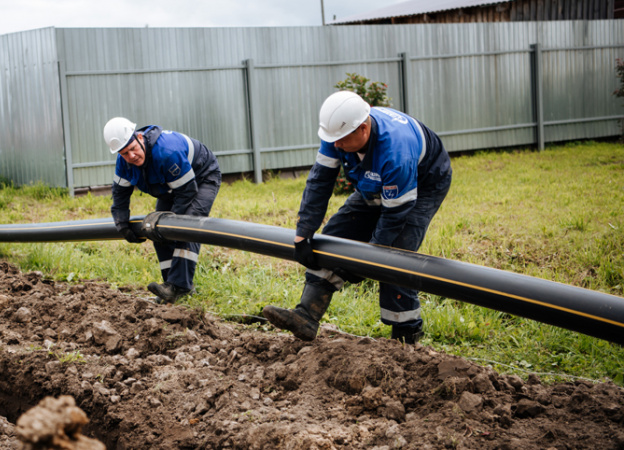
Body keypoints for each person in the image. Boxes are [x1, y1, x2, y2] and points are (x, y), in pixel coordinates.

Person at [262, 91, 453, 344]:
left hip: (423, 183)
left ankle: (406, 339)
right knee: (333, 237)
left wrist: (367, 260)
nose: (336, 145)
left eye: (340, 140)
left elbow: (394, 215)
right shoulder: (337, 134)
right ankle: (306, 316)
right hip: (373, 180)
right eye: (333, 140)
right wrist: (303, 232)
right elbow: (320, 182)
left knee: (395, 257)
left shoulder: (396, 151)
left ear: (363, 129)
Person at [104, 117, 221, 304]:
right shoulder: (124, 162)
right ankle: (169, 287)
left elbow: (187, 191)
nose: (131, 156)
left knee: (185, 227)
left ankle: (180, 287)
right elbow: (120, 194)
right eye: (125, 153)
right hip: (172, 185)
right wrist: (121, 223)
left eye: (133, 149)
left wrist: (173, 223)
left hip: (201, 177)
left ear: (139, 137)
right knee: (157, 229)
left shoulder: (166, 152)